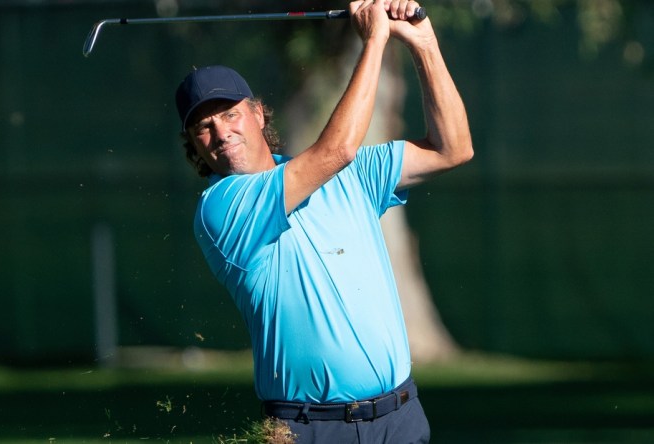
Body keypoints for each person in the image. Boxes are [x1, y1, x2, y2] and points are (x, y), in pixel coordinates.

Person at [174, 0, 472, 442]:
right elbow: (337, 150)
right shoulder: (220, 207)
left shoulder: (345, 177)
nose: (221, 133)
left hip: (401, 418)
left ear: (257, 114)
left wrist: (422, 43)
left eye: (230, 114)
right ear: (193, 146)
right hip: (308, 428)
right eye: (204, 127)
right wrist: (375, 40)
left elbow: (454, 148)